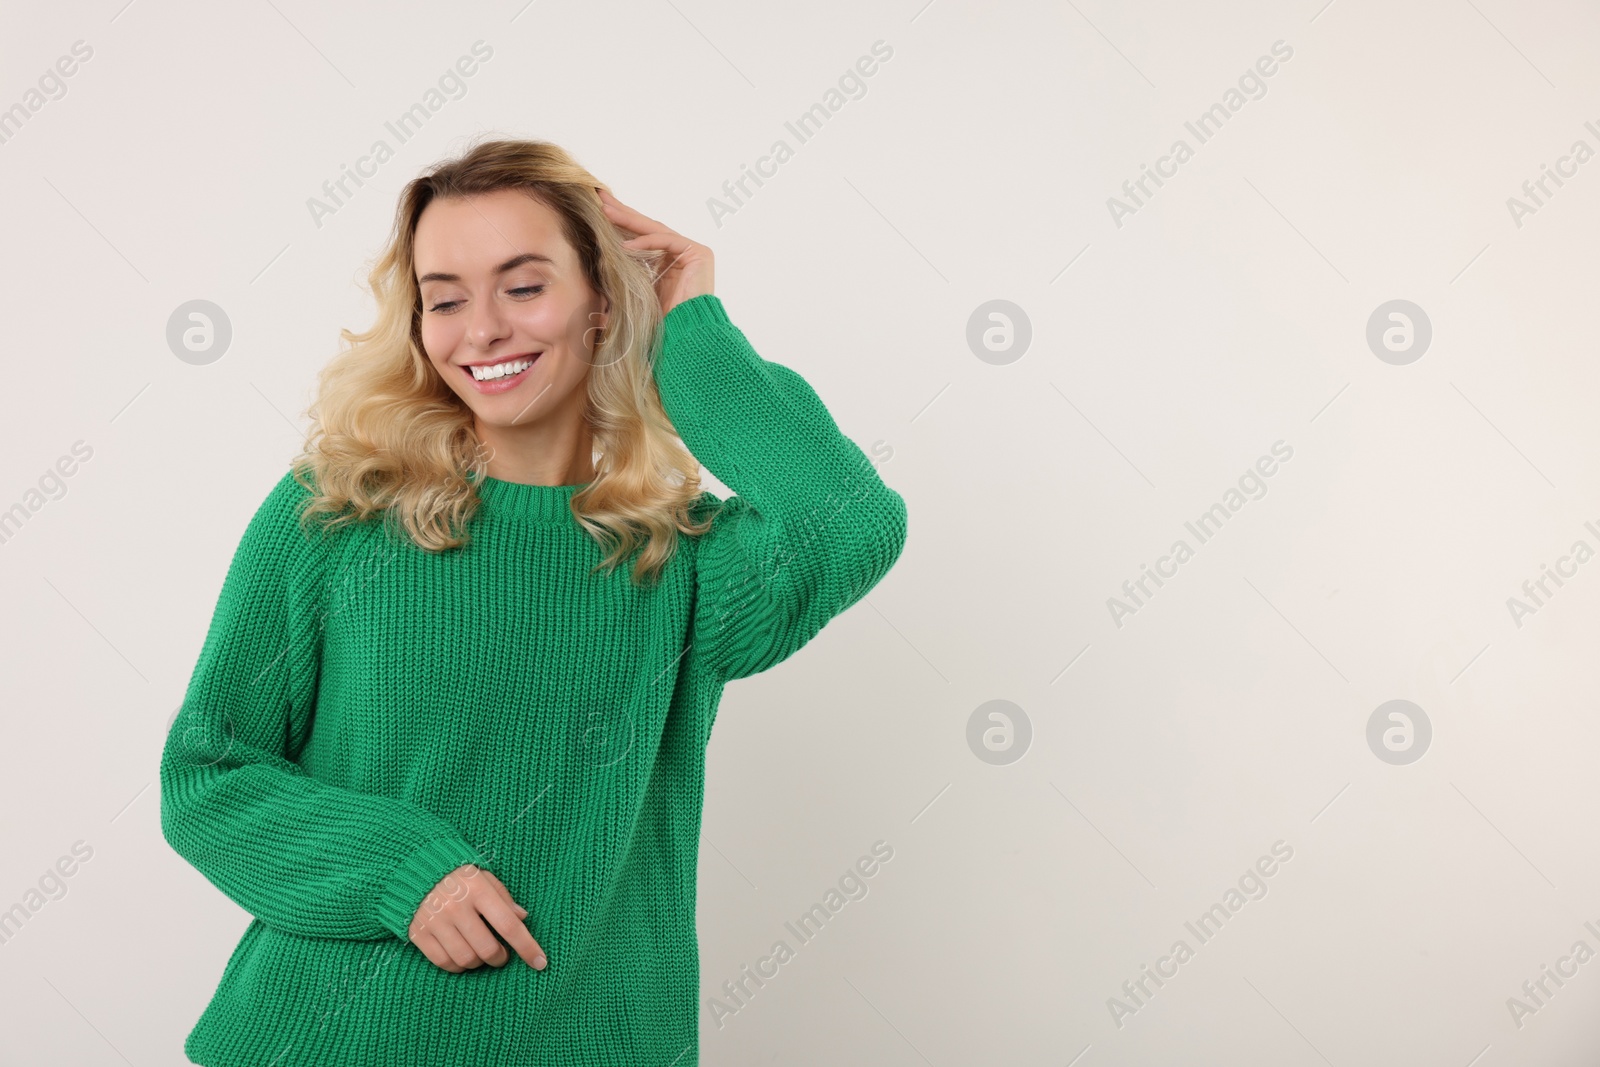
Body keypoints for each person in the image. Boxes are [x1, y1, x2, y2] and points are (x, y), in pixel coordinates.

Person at [159, 137, 909, 1065]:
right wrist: (402, 872)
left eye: (523, 286)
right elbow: (207, 772)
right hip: (328, 1038)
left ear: (602, 304)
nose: (481, 331)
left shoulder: (681, 555)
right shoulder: (338, 509)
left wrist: (695, 323)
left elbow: (851, 522)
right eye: (444, 298)